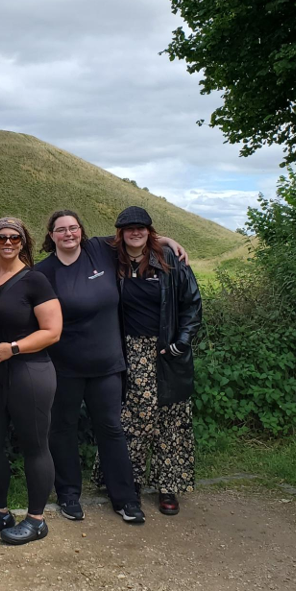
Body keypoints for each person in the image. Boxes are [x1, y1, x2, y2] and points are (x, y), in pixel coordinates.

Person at [37, 210, 190, 524]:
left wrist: (167, 240)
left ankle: (125, 499)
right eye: (60, 230)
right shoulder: (44, 272)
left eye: (73, 228)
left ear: (82, 231)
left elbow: (135, 237)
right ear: (51, 236)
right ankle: (68, 495)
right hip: (64, 366)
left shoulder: (98, 249)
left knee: (111, 428)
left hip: (107, 363)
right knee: (62, 430)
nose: (68, 234)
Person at [0, 216, 62, 545]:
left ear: (24, 242)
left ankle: (36, 519)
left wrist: (15, 348)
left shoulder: (35, 281)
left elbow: (52, 331)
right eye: (1, 237)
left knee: (35, 445)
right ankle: (0, 512)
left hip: (30, 370)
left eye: (14, 238)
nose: (7, 243)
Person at [112, 206, 201, 515]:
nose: (135, 232)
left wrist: (182, 342)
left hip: (166, 352)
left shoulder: (170, 260)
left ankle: (168, 487)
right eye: (128, 228)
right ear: (120, 233)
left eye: (142, 227)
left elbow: (192, 303)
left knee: (170, 418)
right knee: (132, 419)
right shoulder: (113, 261)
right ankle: (130, 483)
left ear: (150, 230)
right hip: (128, 351)